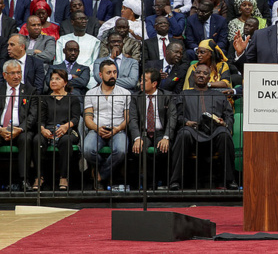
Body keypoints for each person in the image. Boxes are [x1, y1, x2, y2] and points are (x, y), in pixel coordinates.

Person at [169, 63, 237, 191]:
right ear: (194, 75)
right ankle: (175, 181)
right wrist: (186, 122)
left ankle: (230, 180)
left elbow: (229, 116)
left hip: (214, 133)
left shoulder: (219, 95)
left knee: (224, 133)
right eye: (199, 72)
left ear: (209, 77)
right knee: (184, 133)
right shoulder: (185, 94)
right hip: (192, 132)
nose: (201, 75)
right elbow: (177, 116)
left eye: (205, 73)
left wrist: (224, 123)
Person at [83, 59, 130, 190]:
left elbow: (128, 118)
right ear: (100, 75)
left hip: (118, 129)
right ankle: (107, 172)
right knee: (87, 149)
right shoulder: (91, 93)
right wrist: (97, 128)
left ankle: (99, 174)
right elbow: (88, 119)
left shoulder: (125, 93)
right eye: (108, 72)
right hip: (97, 129)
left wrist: (117, 129)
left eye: (115, 72)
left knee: (121, 150)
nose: (112, 75)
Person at [32, 69, 80, 191]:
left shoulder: (73, 99)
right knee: (37, 140)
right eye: (52, 79)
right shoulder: (44, 98)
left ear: (65, 82)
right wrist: (42, 130)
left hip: (67, 130)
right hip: (47, 130)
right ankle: (39, 176)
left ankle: (64, 177)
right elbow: (40, 119)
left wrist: (65, 126)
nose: (53, 81)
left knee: (66, 140)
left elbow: (75, 118)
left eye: (57, 79)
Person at [128, 68, 178, 185]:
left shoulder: (167, 96)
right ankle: (147, 184)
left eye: (144, 80)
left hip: (160, 133)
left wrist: (166, 137)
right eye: (140, 80)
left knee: (164, 149)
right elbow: (133, 119)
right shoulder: (136, 97)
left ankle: (163, 182)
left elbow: (172, 118)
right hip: (143, 133)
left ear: (154, 84)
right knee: (138, 150)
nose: (140, 83)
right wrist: (137, 138)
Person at [0, 59, 38, 191]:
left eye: (19, 73)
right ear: (5, 75)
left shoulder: (30, 90)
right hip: (1, 128)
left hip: (21, 129)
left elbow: (33, 115)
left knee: (26, 139)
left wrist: (20, 129)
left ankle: (24, 180)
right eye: (12, 73)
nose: (16, 76)